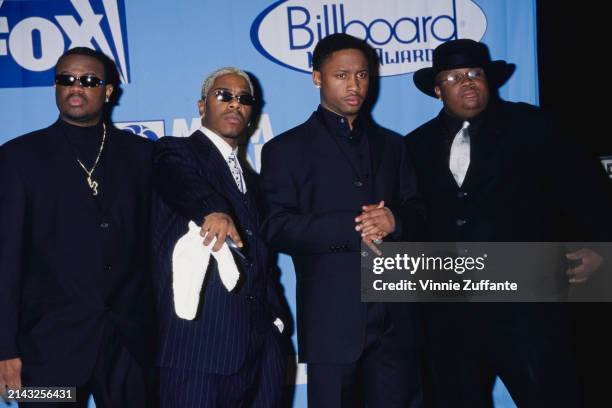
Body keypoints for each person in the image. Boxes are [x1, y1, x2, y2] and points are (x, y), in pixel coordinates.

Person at [406, 38, 612, 407]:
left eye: (475, 73)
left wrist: (601, 246)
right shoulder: (412, 146)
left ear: (489, 80)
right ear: (438, 90)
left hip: (527, 310)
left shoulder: (534, 126)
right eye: (454, 77)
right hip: (449, 314)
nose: (467, 81)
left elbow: (587, 187)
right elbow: (410, 215)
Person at [260, 33, 424, 407]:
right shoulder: (285, 150)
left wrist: (395, 221)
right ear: (317, 77)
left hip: (398, 323)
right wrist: (355, 225)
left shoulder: (394, 145)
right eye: (342, 75)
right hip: (332, 325)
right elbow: (276, 226)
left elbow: (420, 211)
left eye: (363, 75)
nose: (355, 85)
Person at [0, 47, 156, 407]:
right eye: (66, 79)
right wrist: (4, 349)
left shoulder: (142, 156)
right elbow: (5, 259)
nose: (76, 87)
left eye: (88, 80)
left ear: (108, 90)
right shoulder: (18, 158)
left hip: (129, 348)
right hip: (46, 352)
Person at [151, 67, 287, 407]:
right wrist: (213, 209)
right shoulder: (176, 152)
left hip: (261, 348)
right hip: (198, 348)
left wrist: (277, 318)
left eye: (244, 99)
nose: (234, 104)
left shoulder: (253, 182)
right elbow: (181, 182)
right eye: (223, 95)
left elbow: (263, 257)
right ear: (201, 106)